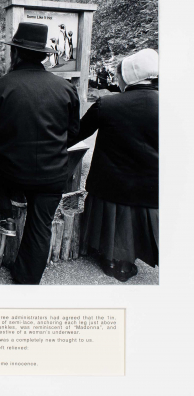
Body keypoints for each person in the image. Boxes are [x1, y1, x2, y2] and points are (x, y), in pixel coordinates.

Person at [0, 22, 80, 285]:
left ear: (16, 53)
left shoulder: (0, 87)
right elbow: (72, 132)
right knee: (40, 227)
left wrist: (10, 141)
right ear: (43, 56)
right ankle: (27, 280)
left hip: (12, 172)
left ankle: (5, 215)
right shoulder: (66, 89)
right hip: (54, 174)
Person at [70, 49, 159, 282]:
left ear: (129, 76)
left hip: (110, 184)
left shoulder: (107, 104)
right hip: (151, 188)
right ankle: (126, 261)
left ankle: (109, 257)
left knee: (113, 215)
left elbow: (76, 134)